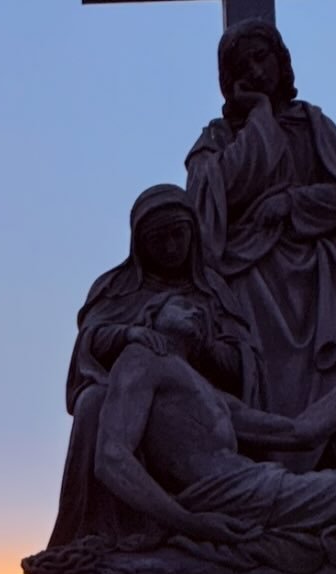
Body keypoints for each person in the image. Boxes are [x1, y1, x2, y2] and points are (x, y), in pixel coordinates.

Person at [186, 19, 336, 468]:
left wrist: (293, 203)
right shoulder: (218, 138)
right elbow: (209, 200)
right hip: (250, 281)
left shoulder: (313, 126)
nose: (256, 71)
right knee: (259, 372)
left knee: (327, 371)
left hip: (317, 281)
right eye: (243, 66)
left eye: (262, 58)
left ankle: (330, 454)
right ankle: (267, 458)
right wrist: (259, 115)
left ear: (282, 61)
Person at [93, 293, 336, 570]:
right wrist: (188, 522)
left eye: (200, 311)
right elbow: (111, 457)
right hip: (233, 497)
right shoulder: (142, 359)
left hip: (258, 486)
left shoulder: (208, 392)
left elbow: (300, 432)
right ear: (151, 317)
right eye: (182, 305)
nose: (196, 312)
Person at [49, 183, 263, 549]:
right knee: (92, 403)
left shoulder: (212, 291)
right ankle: (100, 533)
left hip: (193, 412)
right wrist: (130, 333)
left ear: (193, 233)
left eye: (178, 235)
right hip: (127, 398)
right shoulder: (116, 286)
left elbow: (241, 364)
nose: (170, 247)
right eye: (158, 239)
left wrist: (205, 346)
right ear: (139, 244)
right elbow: (90, 340)